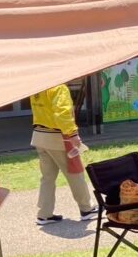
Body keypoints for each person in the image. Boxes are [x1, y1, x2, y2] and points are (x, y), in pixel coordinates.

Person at [29, 83, 97, 225]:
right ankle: (86, 208)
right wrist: (72, 134)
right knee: (75, 173)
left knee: (47, 177)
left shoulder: (38, 86)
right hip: (58, 137)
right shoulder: (59, 87)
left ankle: (44, 213)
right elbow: (62, 113)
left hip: (39, 135)